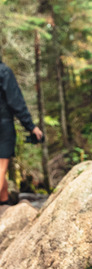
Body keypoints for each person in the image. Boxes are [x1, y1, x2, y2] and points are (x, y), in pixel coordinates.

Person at [0, 53, 43, 205]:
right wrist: (31, 127)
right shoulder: (3, 71)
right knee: (1, 167)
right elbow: (15, 102)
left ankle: (4, 203)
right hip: (3, 126)